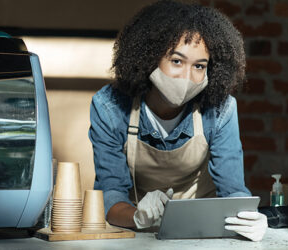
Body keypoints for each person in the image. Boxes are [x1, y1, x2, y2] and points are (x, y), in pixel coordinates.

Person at [88, 0, 267, 242]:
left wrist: (249, 216)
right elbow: (111, 196)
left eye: (199, 66)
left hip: (205, 233)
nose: (187, 77)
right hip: (139, 235)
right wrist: (137, 216)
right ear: (149, 57)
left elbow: (232, 189)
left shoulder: (221, 109)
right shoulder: (109, 107)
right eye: (176, 61)